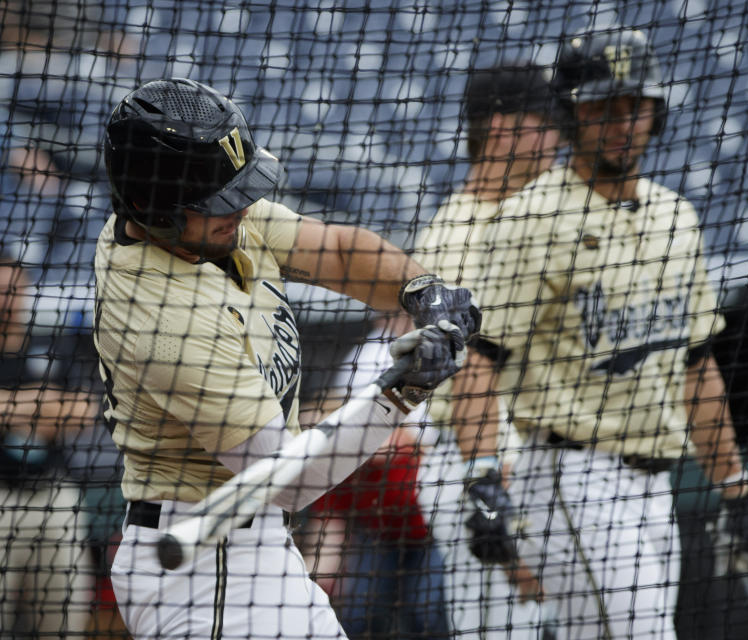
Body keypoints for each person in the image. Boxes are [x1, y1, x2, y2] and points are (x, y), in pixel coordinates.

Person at [94, 78, 479, 639]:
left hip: (253, 554)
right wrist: (404, 391)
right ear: (152, 208)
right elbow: (287, 479)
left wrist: (423, 292)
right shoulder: (160, 315)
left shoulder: (211, 226)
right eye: (219, 203)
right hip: (203, 573)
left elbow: (339, 252)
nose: (242, 208)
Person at [416, 30, 748, 640]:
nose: (621, 124)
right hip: (548, 466)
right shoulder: (513, 222)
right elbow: (477, 366)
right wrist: (487, 479)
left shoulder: (675, 217)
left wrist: (733, 486)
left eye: (635, 105)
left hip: (652, 477)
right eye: (600, 109)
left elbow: (695, 363)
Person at [414, 62, 566, 638]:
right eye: (545, 124)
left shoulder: (532, 215)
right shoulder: (460, 233)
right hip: (480, 467)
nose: (557, 138)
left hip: (530, 465)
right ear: (501, 129)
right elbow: (461, 378)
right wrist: (493, 489)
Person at [298, 313, 449, 640]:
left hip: (430, 532)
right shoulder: (338, 469)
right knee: (360, 615)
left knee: (427, 616)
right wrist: (313, 585)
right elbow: (329, 525)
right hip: (380, 537)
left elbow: (408, 440)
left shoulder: (410, 458)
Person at [0, 255, 99, 636]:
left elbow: (84, 412)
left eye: (14, 289)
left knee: (64, 622)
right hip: (3, 497)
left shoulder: (51, 343)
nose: (7, 300)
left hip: (55, 496)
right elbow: (61, 410)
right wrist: (44, 404)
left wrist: (10, 406)